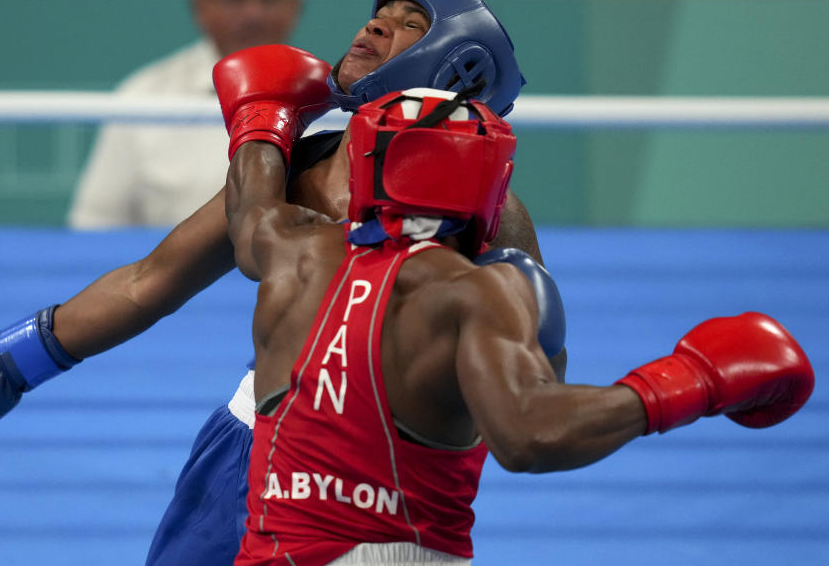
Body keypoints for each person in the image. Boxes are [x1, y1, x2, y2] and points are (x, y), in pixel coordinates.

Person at [0, 0, 563, 565]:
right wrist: (5, 363)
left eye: (408, 25)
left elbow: (530, 394)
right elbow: (152, 281)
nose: (374, 28)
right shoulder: (307, 157)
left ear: (458, 67)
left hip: (384, 482)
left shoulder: (492, 215)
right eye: (377, 14)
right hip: (250, 445)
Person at [217, 48, 815, 564]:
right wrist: (693, 381)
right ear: (486, 186)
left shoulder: (289, 247)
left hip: (270, 551)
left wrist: (259, 122)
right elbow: (530, 434)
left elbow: (249, 215)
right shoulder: (473, 291)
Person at [67, 0, 302, 228]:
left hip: (301, 270)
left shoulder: (333, 100)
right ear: (200, 5)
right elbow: (94, 225)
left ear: (295, 7)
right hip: (170, 269)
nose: (253, 13)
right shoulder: (143, 96)